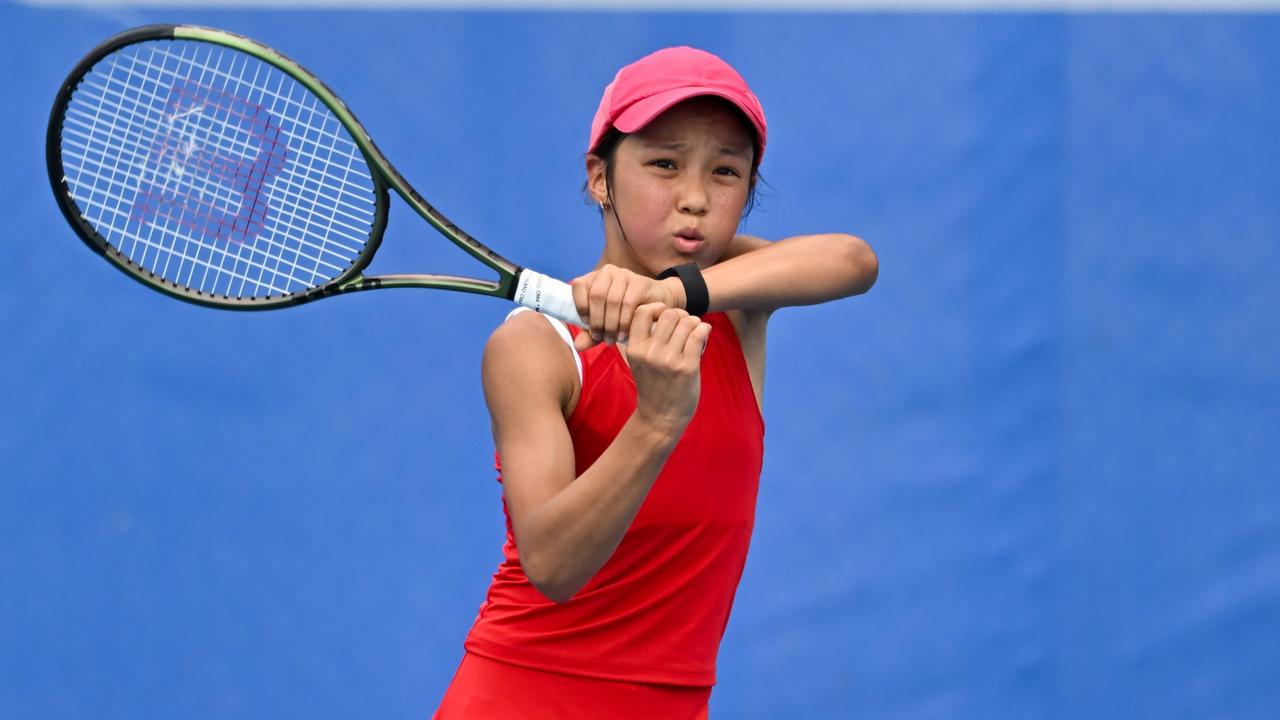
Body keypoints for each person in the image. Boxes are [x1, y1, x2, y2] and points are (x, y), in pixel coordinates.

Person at [434, 46, 877, 719]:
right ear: (600, 177)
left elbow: (853, 260)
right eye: (664, 164)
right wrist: (656, 423)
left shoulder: (733, 299)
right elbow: (552, 567)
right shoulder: (535, 347)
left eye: (726, 172)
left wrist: (673, 294)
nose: (695, 197)